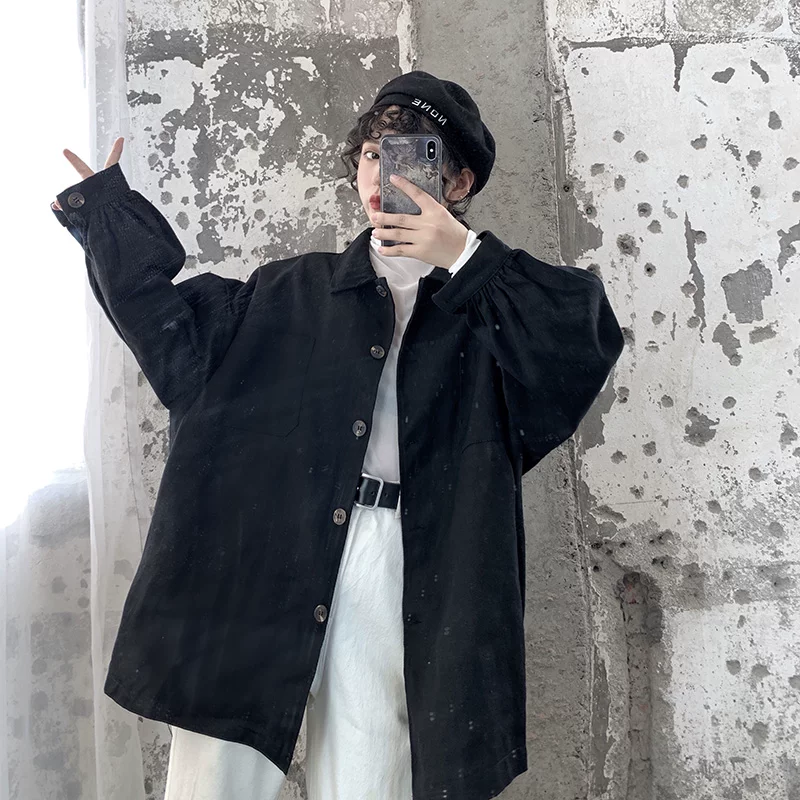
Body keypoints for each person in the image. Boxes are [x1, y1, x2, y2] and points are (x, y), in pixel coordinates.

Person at [51, 70, 625, 800]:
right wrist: (107, 215)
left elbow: (579, 347)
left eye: (411, 154)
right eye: (371, 153)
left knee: (372, 778)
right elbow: (172, 341)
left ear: (457, 182)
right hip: (265, 545)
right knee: (214, 781)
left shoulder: (493, 312)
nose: (382, 172)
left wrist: (464, 256)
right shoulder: (287, 291)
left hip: (404, 562)